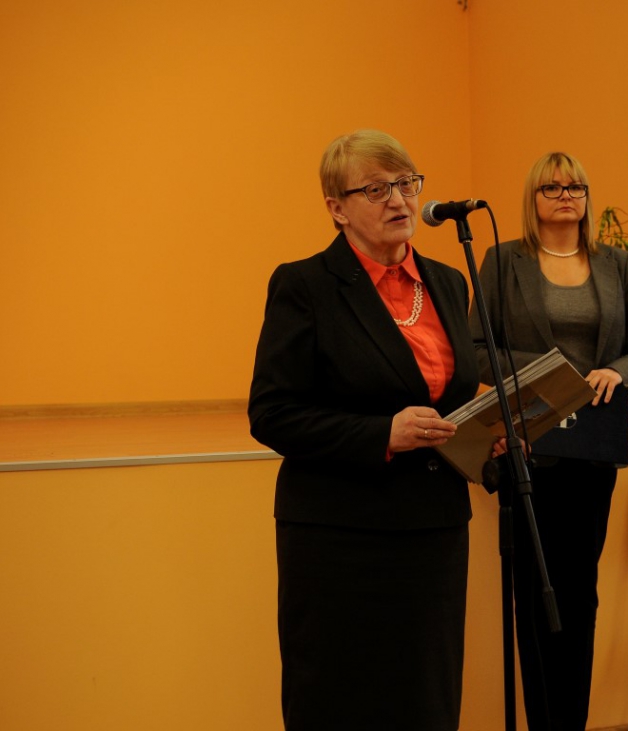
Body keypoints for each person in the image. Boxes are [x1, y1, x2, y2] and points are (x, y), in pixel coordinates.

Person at [248, 129, 486, 731]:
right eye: (376, 189)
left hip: (433, 528)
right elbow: (272, 413)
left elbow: (452, 399)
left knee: (425, 700)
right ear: (337, 208)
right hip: (340, 537)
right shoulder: (305, 286)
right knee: (340, 700)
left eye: (406, 183)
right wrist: (383, 434)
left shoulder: (449, 282)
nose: (399, 200)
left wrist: (489, 433)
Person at [470, 151, 628, 731]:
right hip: (529, 451)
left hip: (593, 454)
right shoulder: (503, 261)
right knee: (535, 598)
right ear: (532, 198)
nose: (565, 196)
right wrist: (546, 375)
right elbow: (477, 350)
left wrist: (617, 373)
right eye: (551, 187)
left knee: (579, 596)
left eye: (575, 186)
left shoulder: (615, 263)